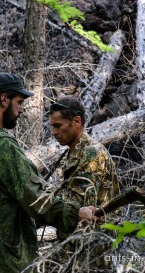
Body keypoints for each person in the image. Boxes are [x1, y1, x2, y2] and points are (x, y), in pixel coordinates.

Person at [0, 72, 99, 273]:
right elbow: (35, 197)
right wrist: (76, 212)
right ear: (3, 99)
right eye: (19, 102)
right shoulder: (2, 146)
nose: (21, 109)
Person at [48, 96, 120, 236]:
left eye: (58, 126)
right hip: (77, 238)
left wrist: (40, 195)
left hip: (91, 242)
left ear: (76, 122)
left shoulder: (91, 153)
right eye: (52, 126)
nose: (53, 132)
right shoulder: (75, 152)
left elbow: (76, 202)